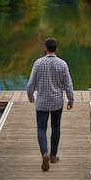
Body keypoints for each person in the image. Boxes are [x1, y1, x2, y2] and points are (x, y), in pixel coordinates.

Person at [27, 37, 74, 171]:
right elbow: (68, 85)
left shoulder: (38, 63)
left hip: (41, 101)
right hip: (56, 101)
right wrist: (71, 100)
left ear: (45, 48)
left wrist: (30, 96)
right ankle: (53, 155)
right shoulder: (62, 64)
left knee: (41, 129)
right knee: (56, 127)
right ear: (56, 48)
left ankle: (44, 153)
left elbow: (31, 84)